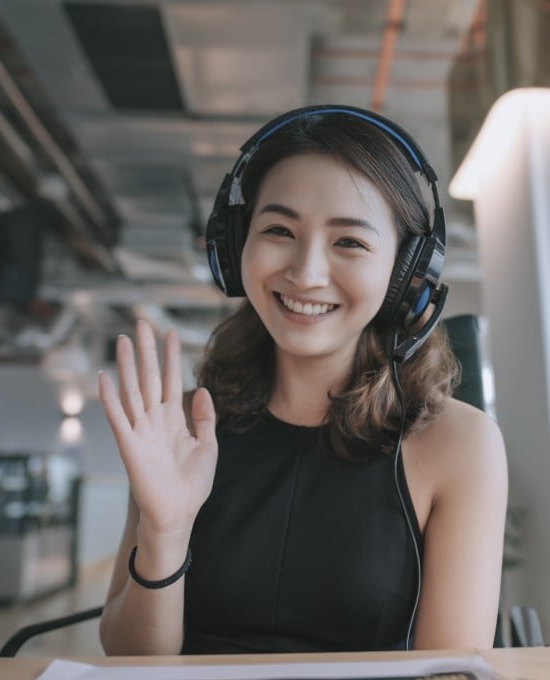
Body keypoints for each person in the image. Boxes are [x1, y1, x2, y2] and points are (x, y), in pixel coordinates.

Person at [97, 106, 508, 655]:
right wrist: (164, 530)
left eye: (350, 242)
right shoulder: (184, 426)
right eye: (278, 230)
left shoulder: (459, 444)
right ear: (236, 244)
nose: (306, 272)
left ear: (406, 274)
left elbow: (449, 672)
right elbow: (130, 661)